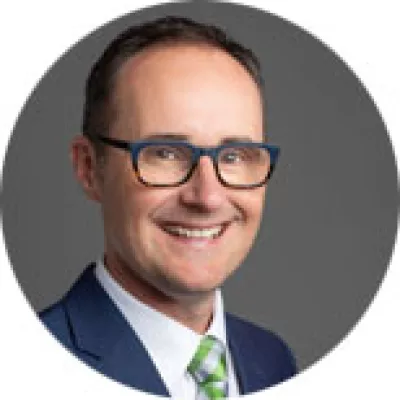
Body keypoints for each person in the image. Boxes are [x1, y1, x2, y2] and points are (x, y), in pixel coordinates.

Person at [40, 16, 296, 398]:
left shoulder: (273, 362)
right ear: (90, 168)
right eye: (165, 153)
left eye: (234, 156)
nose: (207, 197)